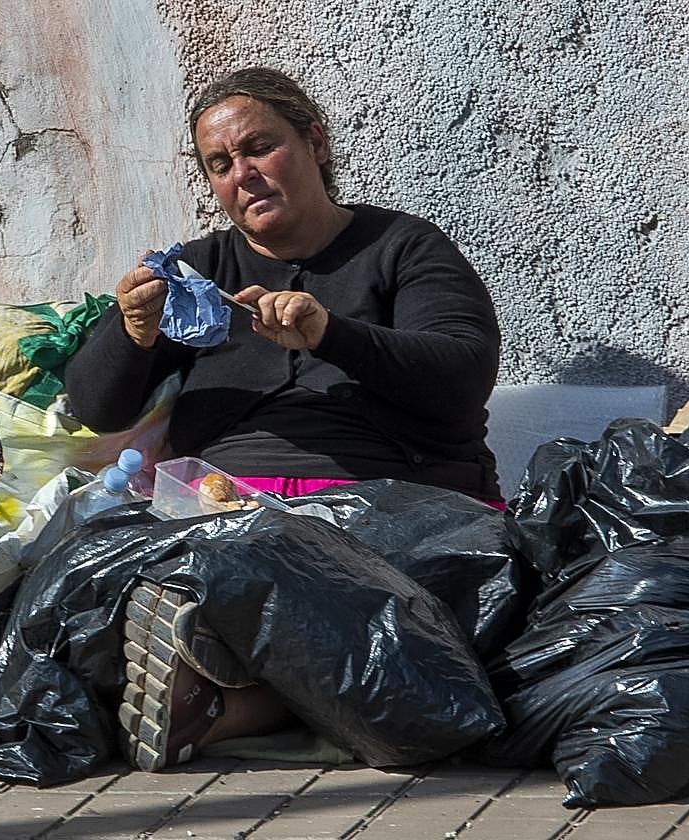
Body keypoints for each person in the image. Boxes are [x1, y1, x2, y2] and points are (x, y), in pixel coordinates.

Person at [63, 67, 503, 772]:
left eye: (260, 148)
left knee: (343, 593)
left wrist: (334, 334)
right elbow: (93, 408)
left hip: (388, 510)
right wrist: (133, 331)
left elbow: (459, 375)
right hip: (226, 512)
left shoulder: (404, 249)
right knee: (79, 581)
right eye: (221, 164)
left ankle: (215, 693)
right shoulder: (199, 274)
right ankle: (218, 694)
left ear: (316, 142)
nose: (244, 175)